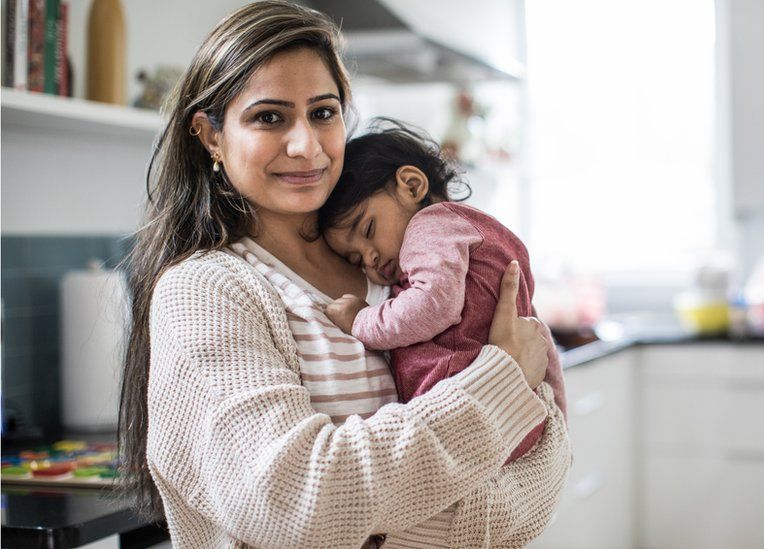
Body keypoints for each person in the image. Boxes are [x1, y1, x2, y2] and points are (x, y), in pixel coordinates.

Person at [116, 2, 571, 548]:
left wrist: (388, 521)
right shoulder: (206, 291)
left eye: (323, 113)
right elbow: (295, 502)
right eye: (269, 117)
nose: (306, 145)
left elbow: (547, 465)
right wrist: (500, 385)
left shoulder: (397, 263)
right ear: (211, 136)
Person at [320, 120, 567, 465]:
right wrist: (559, 422)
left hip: (469, 418)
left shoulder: (430, 226)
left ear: (411, 185)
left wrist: (361, 319)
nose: (370, 258)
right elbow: (538, 335)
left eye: (368, 229)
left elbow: (434, 306)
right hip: (512, 416)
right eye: (355, 259)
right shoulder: (471, 233)